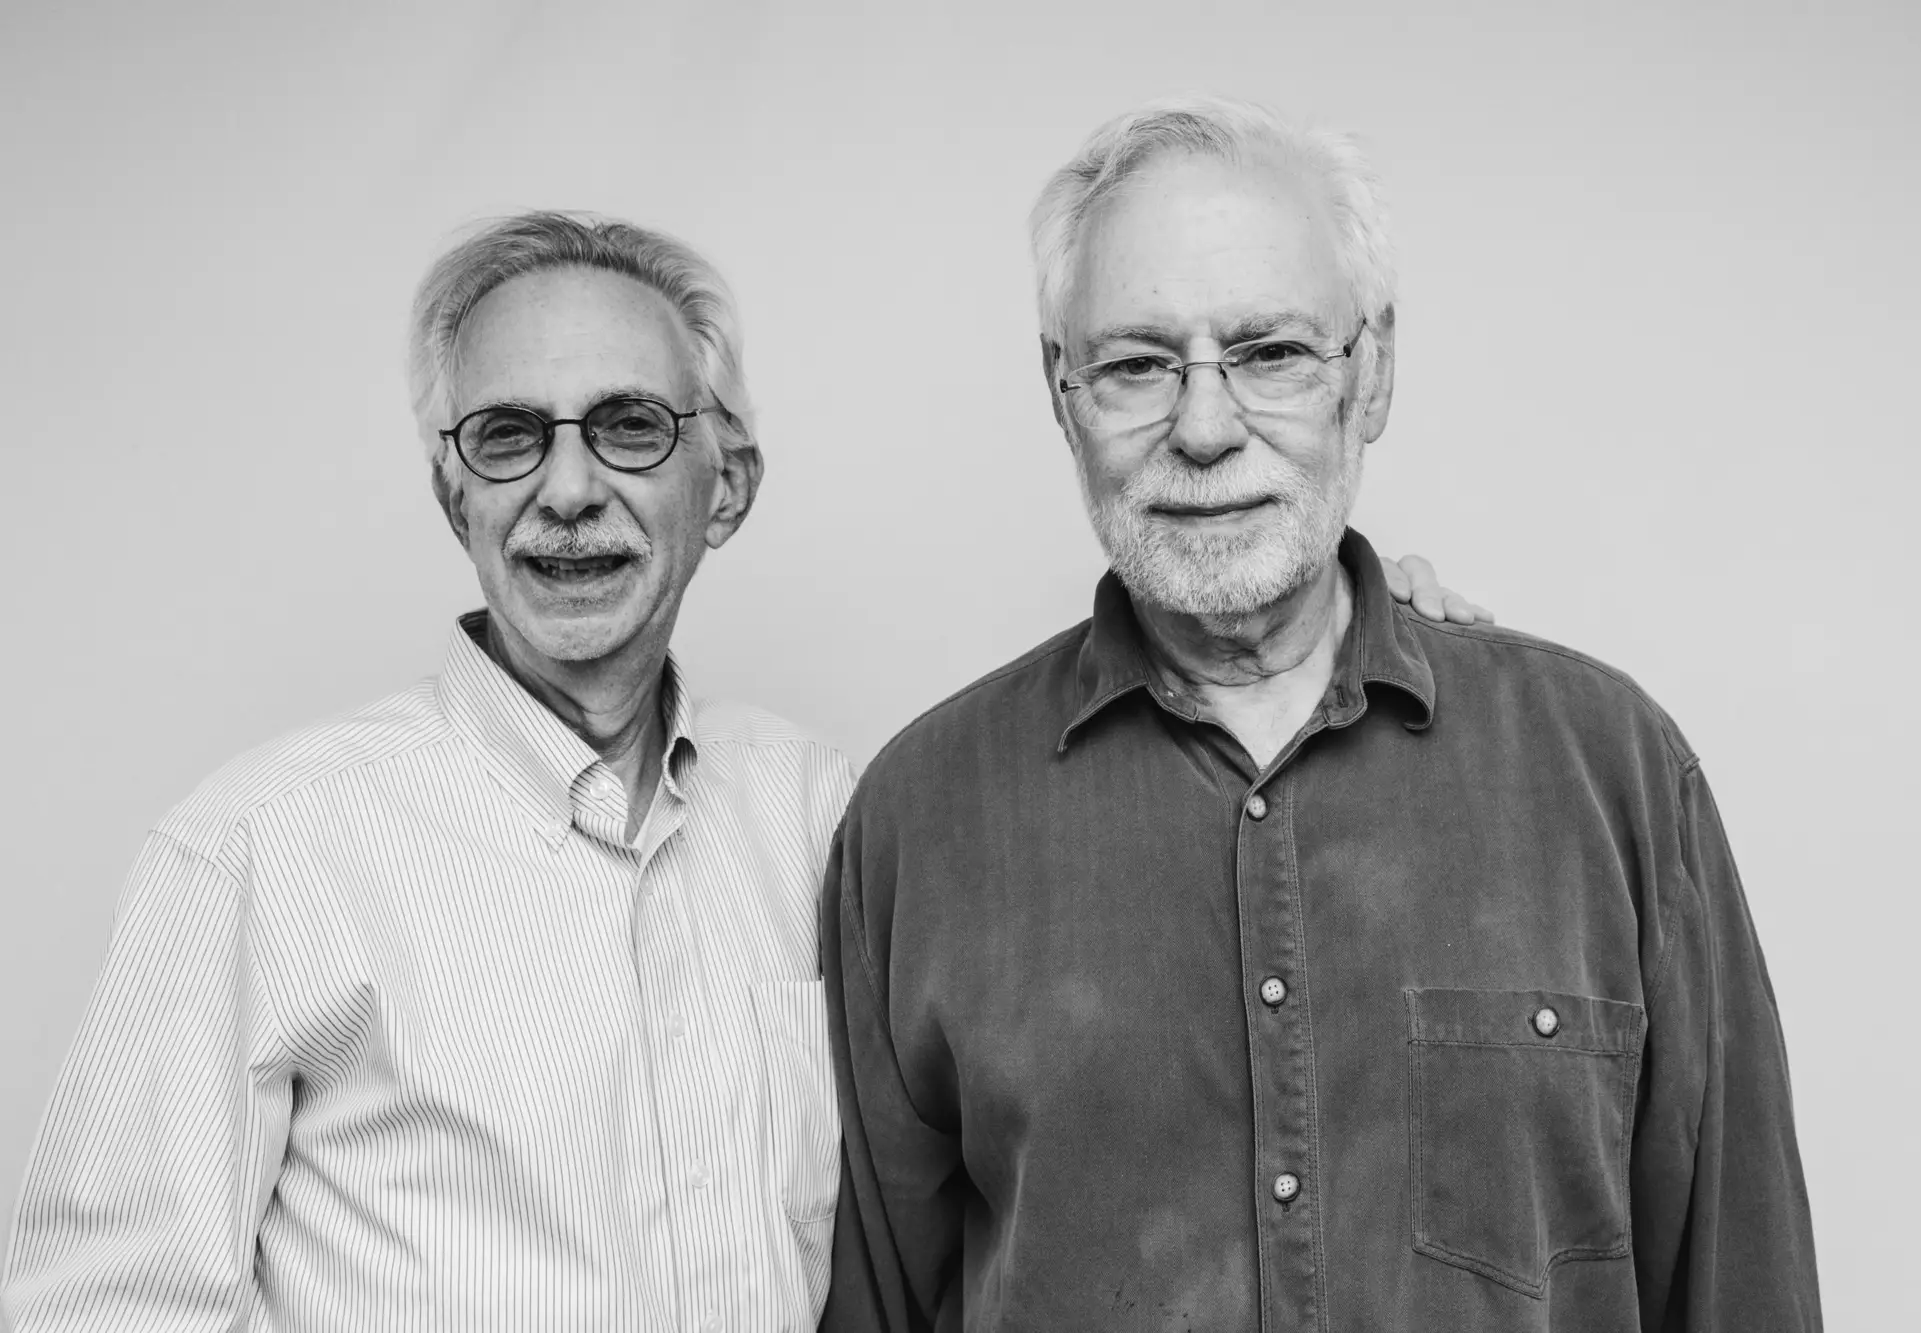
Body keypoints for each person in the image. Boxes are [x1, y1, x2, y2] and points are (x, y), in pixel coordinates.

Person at [2, 211, 1471, 1332]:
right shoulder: (261, 851)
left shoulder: (832, 817)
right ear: (452, 491)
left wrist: (1337, 635)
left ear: (730, 486)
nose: (567, 490)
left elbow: (1088, 975)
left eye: (631, 427)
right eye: (506, 438)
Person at [819, 97, 1820, 1332]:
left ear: (1372, 371)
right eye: (1135, 364)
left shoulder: (1609, 775)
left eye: (1269, 352)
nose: (1203, 427)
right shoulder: (918, 824)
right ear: (1061, 394)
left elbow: (1739, 1287)